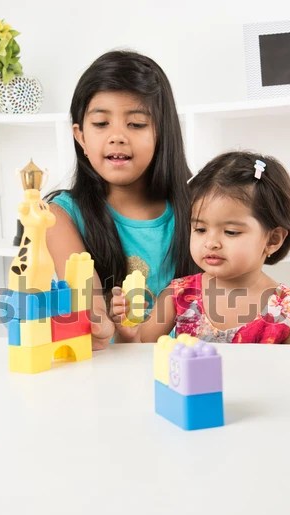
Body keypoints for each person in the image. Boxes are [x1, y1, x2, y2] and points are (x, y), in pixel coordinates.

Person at [46, 49, 193, 350]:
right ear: (80, 136)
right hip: (111, 369)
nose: (117, 136)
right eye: (101, 123)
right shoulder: (60, 217)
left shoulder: (197, 206)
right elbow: (86, 296)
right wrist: (96, 323)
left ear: (162, 133)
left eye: (136, 124)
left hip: (188, 361)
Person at [111, 150, 290, 344]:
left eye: (231, 232)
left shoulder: (289, 312)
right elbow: (139, 352)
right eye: (200, 229)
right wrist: (128, 334)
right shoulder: (178, 294)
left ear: (273, 240)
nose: (211, 243)